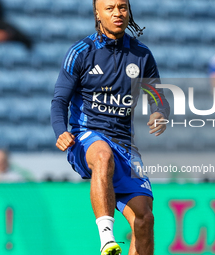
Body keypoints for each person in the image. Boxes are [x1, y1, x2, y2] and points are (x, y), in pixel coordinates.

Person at [51, 0, 169, 254]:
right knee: (103, 155)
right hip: (86, 137)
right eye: (110, 8)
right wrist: (61, 130)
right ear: (97, 12)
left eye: (122, 7)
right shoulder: (81, 52)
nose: (117, 13)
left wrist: (159, 112)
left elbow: (157, 97)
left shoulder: (142, 55)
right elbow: (59, 100)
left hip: (125, 145)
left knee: (144, 220)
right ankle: (107, 239)